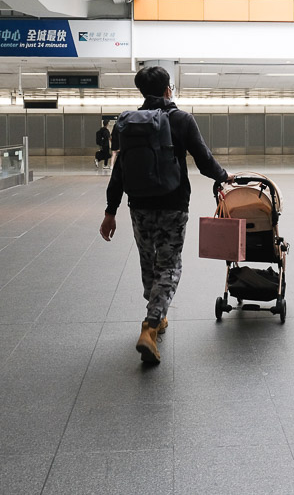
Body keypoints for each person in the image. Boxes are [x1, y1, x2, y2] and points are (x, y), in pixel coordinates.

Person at [98, 66, 231, 364]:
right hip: (173, 203)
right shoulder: (181, 119)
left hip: (139, 205)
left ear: (142, 92)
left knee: (148, 260)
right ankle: (151, 324)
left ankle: (157, 311)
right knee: (170, 264)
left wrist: (110, 211)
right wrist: (224, 177)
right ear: (169, 88)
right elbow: (203, 159)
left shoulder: (127, 123)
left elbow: (119, 171)